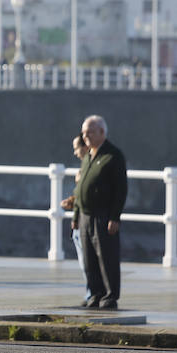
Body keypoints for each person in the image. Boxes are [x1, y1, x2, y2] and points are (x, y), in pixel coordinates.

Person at [72, 115, 127, 309]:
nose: (85, 136)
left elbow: (121, 190)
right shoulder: (88, 156)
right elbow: (81, 188)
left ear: (102, 133)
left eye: (90, 132)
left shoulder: (112, 156)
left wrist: (115, 217)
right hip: (86, 215)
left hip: (103, 215)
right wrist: (76, 214)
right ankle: (95, 294)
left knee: (107, 257)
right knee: (89, 259)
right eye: (84, 133)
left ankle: (110, 296)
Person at [61, 134, 89, 300]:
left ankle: (92, 295)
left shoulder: (89, 167)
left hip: (85, 220)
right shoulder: (86, 166)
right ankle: (90, 294)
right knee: (84, 263)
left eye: (76, 148)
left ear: (84, 147)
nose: (75, 153)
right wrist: (71, 201)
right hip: (79, 220)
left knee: (87, 263)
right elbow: (81, 194)